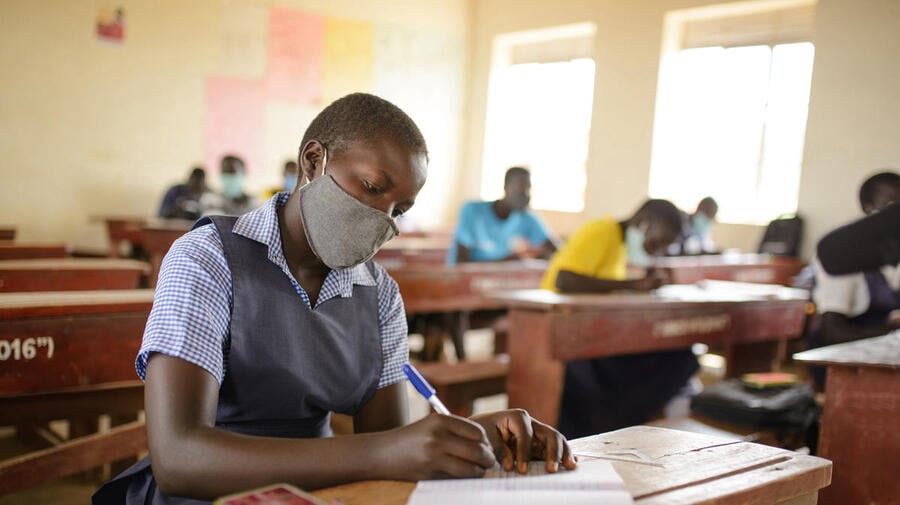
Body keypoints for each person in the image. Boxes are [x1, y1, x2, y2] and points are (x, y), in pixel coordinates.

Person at [93, 93, 575, 505]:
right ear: (313, 161)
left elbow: (390, 448)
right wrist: (387, 452)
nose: (382, 219)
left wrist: (470, 438)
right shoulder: (207, 258)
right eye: (371, 187)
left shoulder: (378, 293)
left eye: (399, 209)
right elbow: (179, 458)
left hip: (318, 495)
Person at [540, 199, 700, 438]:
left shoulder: (620, 244)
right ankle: (607, 428)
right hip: (561, 332)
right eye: (654, 244)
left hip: (588, 333)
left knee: (677, 354)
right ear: (643, 224)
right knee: (667, 361)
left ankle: (624, 426)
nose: (653, 251)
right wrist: (633, 285)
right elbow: (564, 280)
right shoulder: (601, 231)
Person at [809, 171, 900, 384]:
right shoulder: (844, 253)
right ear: (869, 208)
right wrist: (893, 333)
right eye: (892, 206)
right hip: (837, 360)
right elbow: (833, 331)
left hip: (873, 353)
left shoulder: (892, 253)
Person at [447, 166, 557, 264]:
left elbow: (558, 252)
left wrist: (540, 257)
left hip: (500, 283)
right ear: (506, 187)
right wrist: (504, 263)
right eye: (520, 187)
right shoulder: (473, 211)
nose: (526, 194)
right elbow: (460, 263)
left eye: (528, 188)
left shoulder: (527, 217)